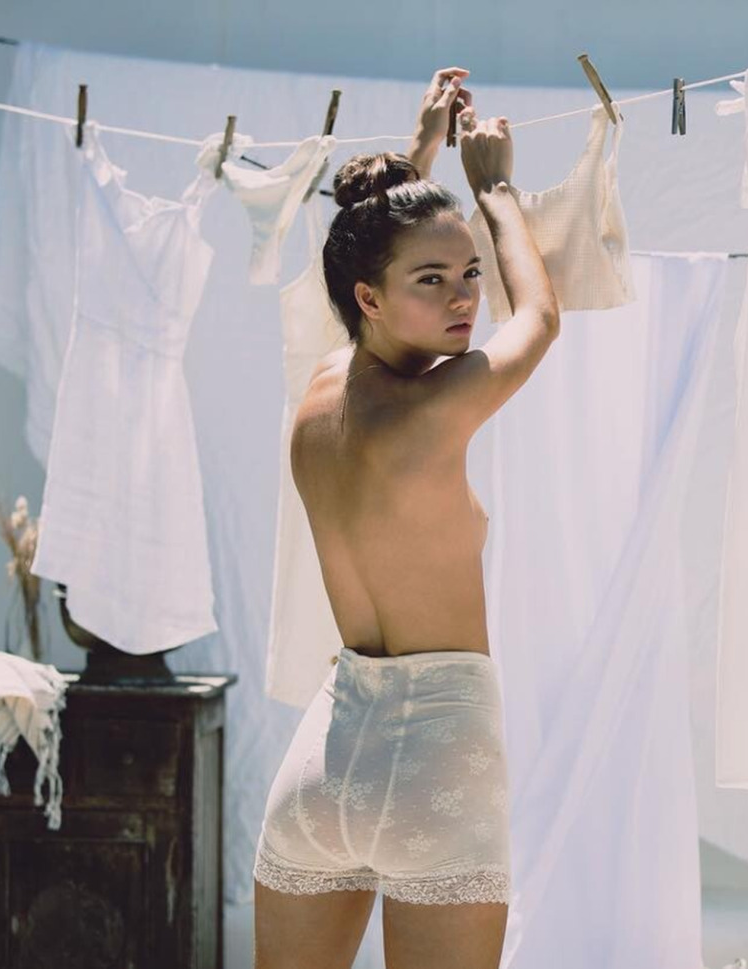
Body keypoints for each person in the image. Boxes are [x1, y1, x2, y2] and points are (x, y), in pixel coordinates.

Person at [253, 67, 559, 969]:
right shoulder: (435, 405)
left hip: (323, 761)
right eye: (434, 279)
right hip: (441, 760)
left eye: (470, 273)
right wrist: (493, 188)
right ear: (370, 296)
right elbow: (539, 318)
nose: (464, 298)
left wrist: (418, 153)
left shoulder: (318, 391)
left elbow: (362, 258)